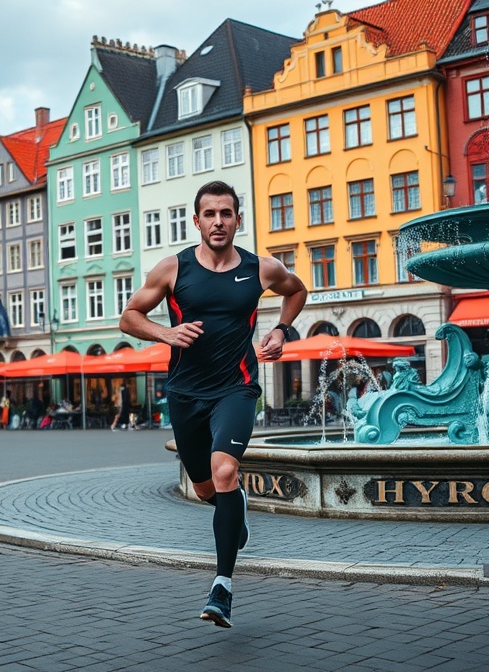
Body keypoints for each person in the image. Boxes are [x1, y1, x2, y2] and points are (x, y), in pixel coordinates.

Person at [119, 180, 306, 628]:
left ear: (238, 219)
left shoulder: (262, 268)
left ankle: (222, 587)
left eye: (227, 213)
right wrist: (166, 333)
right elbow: (129, 316)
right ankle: (233, 512)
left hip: (236, 389)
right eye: (210, 214)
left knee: (225, 470)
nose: (219, 221)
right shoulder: (173, 269)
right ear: (197, 220)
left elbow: (296, 291)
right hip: (184, 393)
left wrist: (282, 330)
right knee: (206, 489)